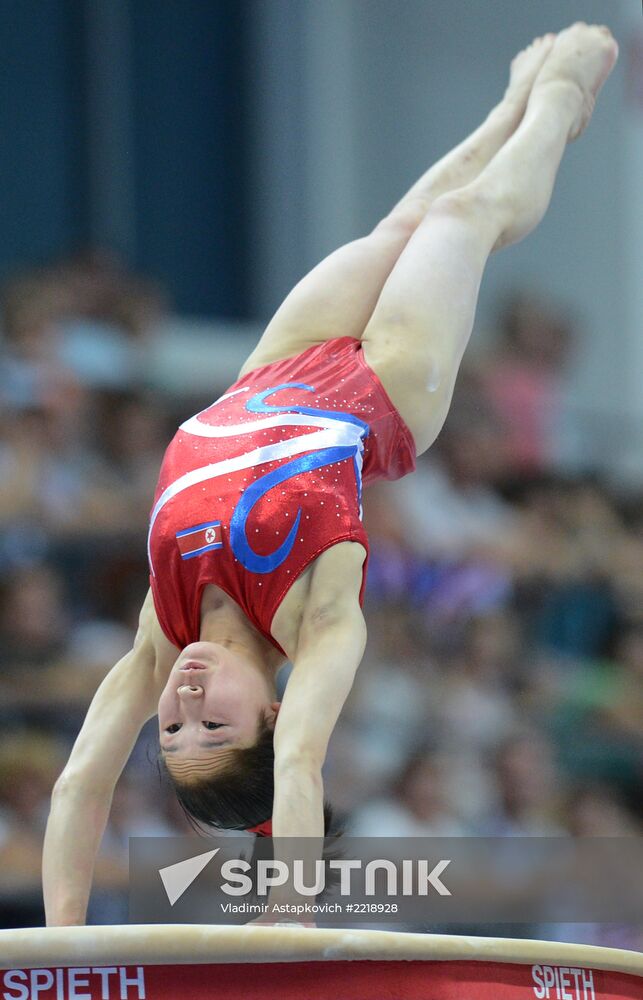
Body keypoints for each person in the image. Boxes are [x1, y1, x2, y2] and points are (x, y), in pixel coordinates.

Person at [43, 24, 618, 926]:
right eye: (215, 726)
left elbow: (81, 781)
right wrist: (288, 914)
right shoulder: (317, 619)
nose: (185, 701)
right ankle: (555, 107)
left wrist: (63, 940)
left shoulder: (165, 626)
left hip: (267, 375)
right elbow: (303, 763)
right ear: (270, 715)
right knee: (460, 222)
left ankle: (505, 100)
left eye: (173, 728)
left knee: (398, 225)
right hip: (382, 393)